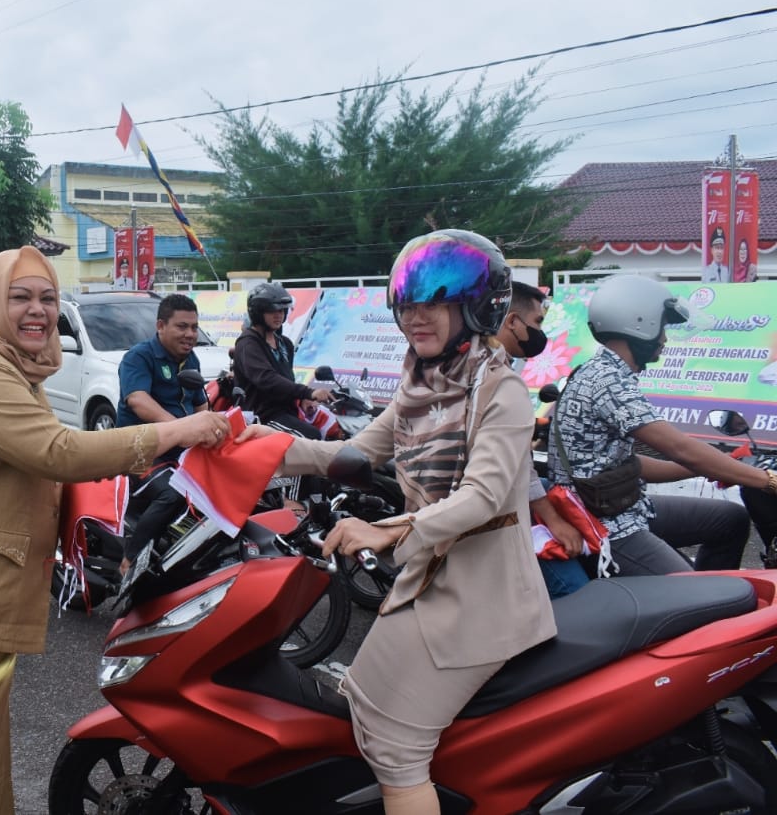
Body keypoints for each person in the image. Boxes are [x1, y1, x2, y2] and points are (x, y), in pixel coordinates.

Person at [0, 246, 230, 814]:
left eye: (47, 298)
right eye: (20, 297)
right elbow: (56, 451)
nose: (37, 310)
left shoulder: (12, 364)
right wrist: (176, 432)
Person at [242, 230, 557, 815]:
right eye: (408, 305)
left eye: (435, 303)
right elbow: (356, 452)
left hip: (480, 596)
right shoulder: (420, 385)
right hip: (425, 582)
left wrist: (390, 530)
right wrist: (261, 447)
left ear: (476, 306)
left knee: (394, 746)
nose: (417, 317)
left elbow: (484, 495)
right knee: (361, 706)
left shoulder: (501, 389)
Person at [547, 274, 773, 576]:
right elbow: (680, 447)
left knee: (729, 520)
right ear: (640, 324)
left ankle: (716, 593)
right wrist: (766, 479)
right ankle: (707, 605)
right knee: (700, 595)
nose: (664, 339)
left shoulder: (602, 371)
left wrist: (719, 466)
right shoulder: (607, 380)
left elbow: (629, 463)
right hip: (608, 524)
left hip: (625, 506)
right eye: (663, 328)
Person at [494, 281, 589, 598]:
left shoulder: (497, 367)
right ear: (512, 322)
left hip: (499, 509)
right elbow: (518, 465)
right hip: (496, 520)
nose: (540, 333)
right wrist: (553, 522)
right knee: (577, 594)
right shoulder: (497, 380)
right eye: (536, 323)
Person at [116, 292, 209, 572]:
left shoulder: (191, 360)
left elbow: (201, 404)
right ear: (160, 326)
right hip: (142, 452)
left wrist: (213, 429)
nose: (190, 334)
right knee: (174, 493)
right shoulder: (139, 357)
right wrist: (180, 428)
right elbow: (137, 399)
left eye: (194, 327)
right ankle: (130, 561)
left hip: (179, 450)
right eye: (182, 326)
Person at [233, 282, 333, 439]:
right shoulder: (248, 343)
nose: (278, 314)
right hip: (263, 417)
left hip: (287, 410)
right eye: (272, 310)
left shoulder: (284, 344)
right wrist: (309, 392)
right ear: (258, 312)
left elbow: (286, 379)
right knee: (311, 437)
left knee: (333, 425)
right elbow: (267, 379)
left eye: (282, 310)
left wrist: (303, 398)